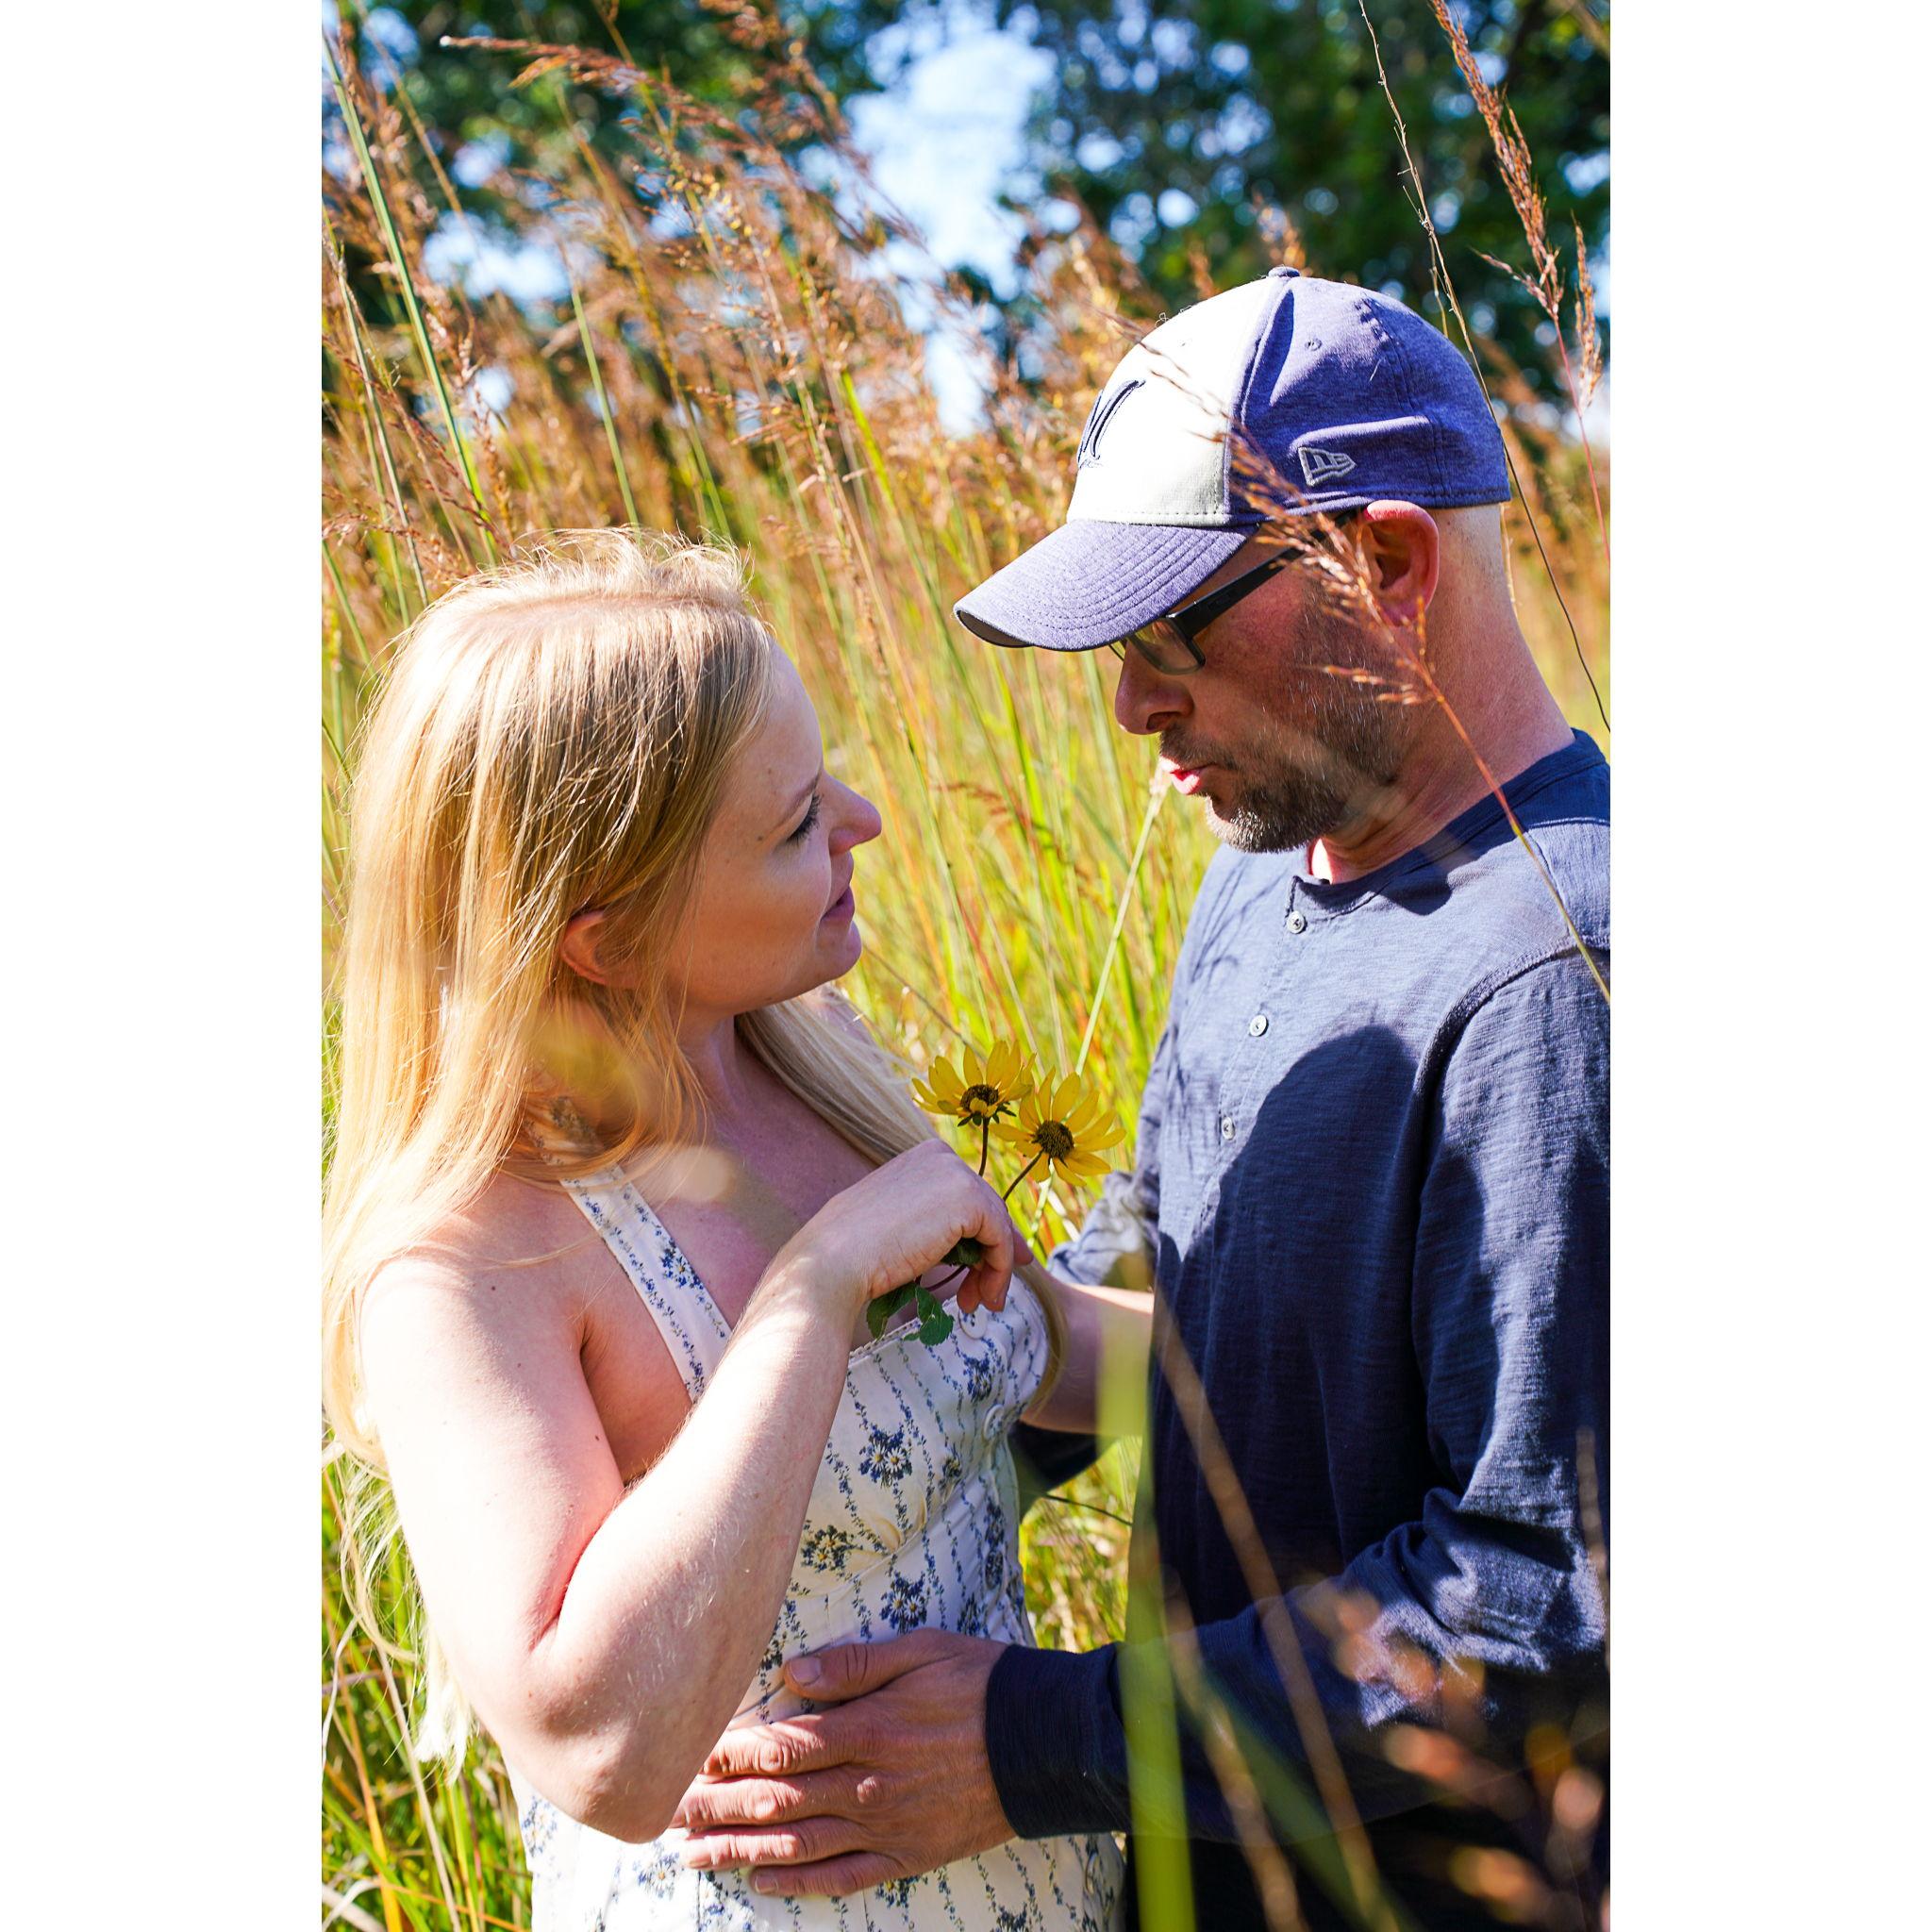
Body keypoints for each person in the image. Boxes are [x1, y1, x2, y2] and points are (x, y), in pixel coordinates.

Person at [673, 269, 1610, 1929]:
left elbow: (1550, 1601)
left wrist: (1033, 1740)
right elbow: (1176, 1305)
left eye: (1176, 629)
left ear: (1387, 565)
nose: (1129, 701)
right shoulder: (1267, 871)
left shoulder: (1564, 983)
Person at [320, 533, 1142, 1929]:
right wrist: (812, 1293)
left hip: (1044, 1888)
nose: (865, 820)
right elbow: (603, 1750)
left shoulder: (812, 1061)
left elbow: (1057, 1359)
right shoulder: (463, 1261)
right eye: (792, 825)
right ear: (602, 934)